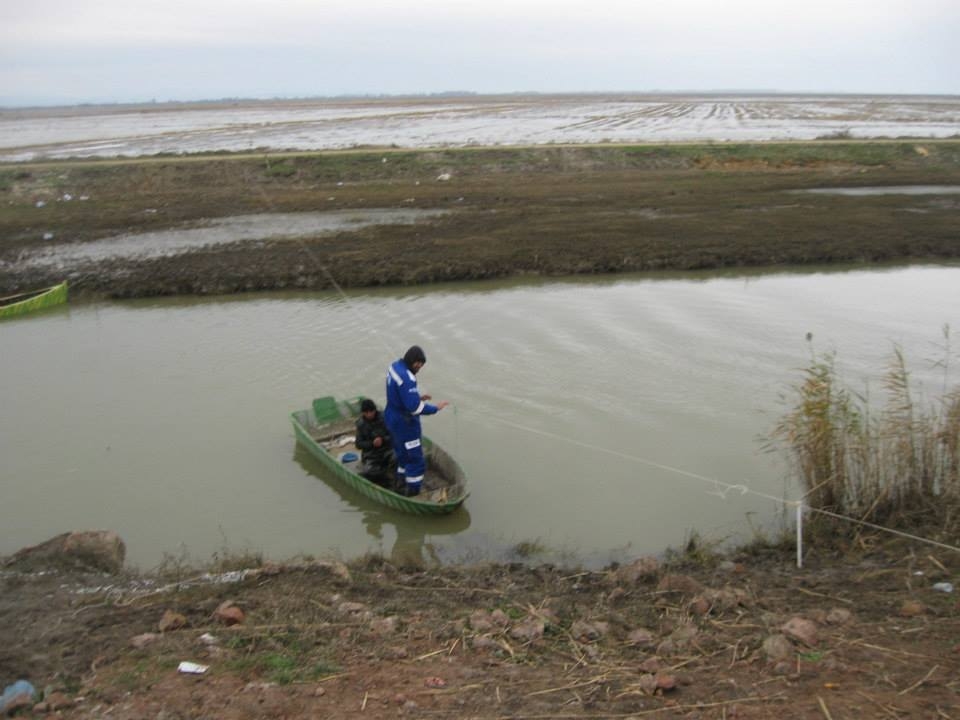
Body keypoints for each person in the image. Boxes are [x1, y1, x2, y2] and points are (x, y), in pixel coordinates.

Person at [384, 345, 449, 496]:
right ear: (411, 360)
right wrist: (435, 408)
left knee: (402, 453)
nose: (419, 367)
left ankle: (400, 482)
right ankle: (413, 492)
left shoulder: (394, 367)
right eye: (418, 363)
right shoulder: (408, 378)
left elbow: (399, 395)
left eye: (421, 364)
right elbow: (414, 408)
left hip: (391, 417)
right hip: (405, 424)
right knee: (415, 459)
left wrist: (417, 397)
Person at [355, 398, 394, 486]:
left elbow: (394, 435)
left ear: (375, 410)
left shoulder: (385, 418)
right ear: (363, 413)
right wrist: (372, 443)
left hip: (387, 450)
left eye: (371, 411)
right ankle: (384, 478)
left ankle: (392, 475)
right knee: (370, 472)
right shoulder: (361, 425)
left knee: (399, 458)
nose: (369, 414)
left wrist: (383, 440)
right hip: (371, 455)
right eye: (366, 412)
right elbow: (358, 444)